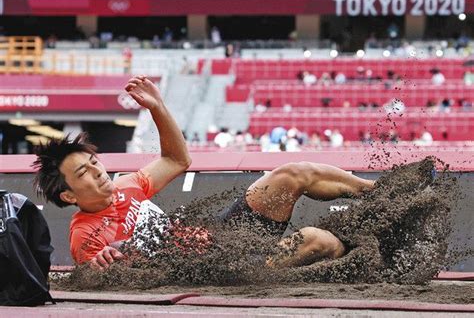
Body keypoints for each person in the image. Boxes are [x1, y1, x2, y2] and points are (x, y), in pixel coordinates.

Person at [33, 76, 375, 270]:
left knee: (292, 172)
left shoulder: (127, 187)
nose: (98, 171)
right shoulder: (85, 234)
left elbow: (177, 159)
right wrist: (101, 266)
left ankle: (379, 194)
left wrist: (158, 108)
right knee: (318, 240)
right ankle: (360, 258)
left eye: (94, 162)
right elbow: (94, 274)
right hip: (217, 269)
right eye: (84, 173)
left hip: (220, 233)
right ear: (69, 195)